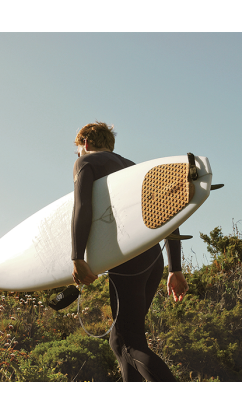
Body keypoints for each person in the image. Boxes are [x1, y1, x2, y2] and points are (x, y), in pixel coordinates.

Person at [71, 121, 189, 382]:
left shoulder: (86, 162)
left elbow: (82, 208)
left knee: (128, 341)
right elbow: (168, 215)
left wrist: (77, 257)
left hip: (128, 260)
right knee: (121, 341)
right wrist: (175, 268)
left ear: (86, 144)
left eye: (78, 150)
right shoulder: (134, 168)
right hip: (153, 258)